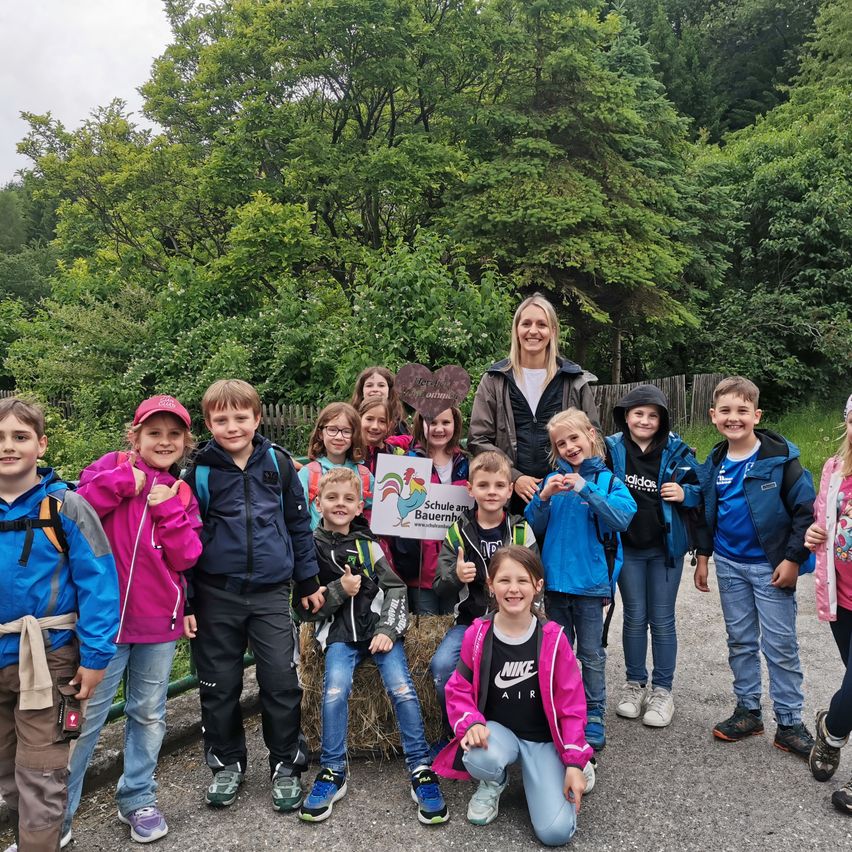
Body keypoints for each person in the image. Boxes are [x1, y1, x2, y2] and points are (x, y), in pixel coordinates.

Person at [63, 395, 202, 845]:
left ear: (185, 441)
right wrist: (126, 481)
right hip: (101, 627)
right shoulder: (106, 468)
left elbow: (188, 556)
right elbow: (75, 517)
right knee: (83, 720)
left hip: (157, 625)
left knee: (148, 714)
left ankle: (138, 797)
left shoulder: (181, 492)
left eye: (174, 434)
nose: (164, 442)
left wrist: (166, 509)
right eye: (154, 433)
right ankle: (54, 815)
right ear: (135, 435)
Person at [183, 379, 324, 813]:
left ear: (257, 419)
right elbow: (185, 540)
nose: (232, 426)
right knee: (219, 686)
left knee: (280, 683)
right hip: (215, 594)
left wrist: (308, 580)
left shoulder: (278, 464)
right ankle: (227, 763)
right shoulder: (200, 471)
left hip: (269, 595)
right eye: (221, 419)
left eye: (240, 417)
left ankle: (285, 764)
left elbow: (299, 527)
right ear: (208, 422)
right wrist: (187, 601)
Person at [296, 468, 448, 825]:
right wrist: (338, 592)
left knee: (403, 690)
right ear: (318, 503)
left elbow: (396, 589)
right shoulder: (310, 550)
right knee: (334, 691)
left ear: (359, 505)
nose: (340, 505)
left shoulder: (370, 546)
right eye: (332, 498)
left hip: (378, 636)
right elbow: (301, 606)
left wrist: (389, 630)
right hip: (339, 637)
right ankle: (333, 770)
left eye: (348, 499)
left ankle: (421, 767)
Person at [0, 398, 119, 852]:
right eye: (0, 437)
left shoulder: (65, 506)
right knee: (8, 772)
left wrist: (95, 656)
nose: (8, 447)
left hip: (48, 657)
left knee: (41, 771)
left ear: (41, 444)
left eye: (20, 436)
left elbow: (99, 584)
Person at [434, 546, 594, 846]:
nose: (513, 589)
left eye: (523, 580)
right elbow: (458, 688)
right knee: (477, 755)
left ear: (538, 586)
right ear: (491, 586)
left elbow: (572, 706)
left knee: (555, 833)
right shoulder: (477, 634)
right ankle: (495, 780)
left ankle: (576, 762)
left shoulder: (554, 639)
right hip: (500, 734)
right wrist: (470, 723)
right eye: (504, 580)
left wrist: (572, 762)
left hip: (543, 740)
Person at [694, 376, 816, 757]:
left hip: (772, 567)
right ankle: (748, 710)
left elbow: (804, 512)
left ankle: (790, 721)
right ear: (714, 416)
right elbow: (704, 512)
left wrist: (793, 559)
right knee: (741, 641)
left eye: (742, 411)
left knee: (780, 645)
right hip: (730, 566)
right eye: (726, 411)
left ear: (756, 415)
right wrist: (703, 557)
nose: (734, 418)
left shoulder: (781, 461)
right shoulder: (714, 462)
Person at [525, 408, 636, 750]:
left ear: (590, 435)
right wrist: (543, 498)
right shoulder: (551, 482)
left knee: (591, 654)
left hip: (590, 587)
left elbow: (622, 519)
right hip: (555, 585)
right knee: (557, 653)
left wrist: (587, 489)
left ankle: (594, 713)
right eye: (561, 443)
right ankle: (558, 707)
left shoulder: (610, 483)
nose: (569, 447)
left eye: (574, 438)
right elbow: (533, 526)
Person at [604, 385, 708, 728]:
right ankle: (635, 684)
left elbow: (703, 489)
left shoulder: (676, 449)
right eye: (638, 414)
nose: (645, 420)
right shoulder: (611, 448)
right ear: (625, 416)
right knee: (634, 616)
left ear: (662, 419)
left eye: (652, 415)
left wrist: (685, 493)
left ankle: (663, 690)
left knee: (662, 619)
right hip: (628, 547)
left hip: (665, 550)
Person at [468, 293, 599, 513]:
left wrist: (566, 479)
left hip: (564, 496)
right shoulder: (494, 380)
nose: (533, 331)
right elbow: (478, 439)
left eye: (542, 324)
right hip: (507, 499)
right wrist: (514, 476)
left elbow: (594, 437)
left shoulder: (574, 380)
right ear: (516, 330)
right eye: (526, 323)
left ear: (553, 332)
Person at [431, 451, 538, 717]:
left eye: (499, 485)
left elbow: (537, 584)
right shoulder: (458, 530)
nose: (491, 492)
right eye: (483, 485)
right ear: (470, 489)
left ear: (510, 490)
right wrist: (457, 576)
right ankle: (456, 732)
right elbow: (439, 586)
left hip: (514, 624)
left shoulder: (521, 530)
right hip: (469, 623)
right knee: (441, 666)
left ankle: (516, 730)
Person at [806, 393, 852, 812]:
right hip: (844, 597)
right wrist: (813, 535)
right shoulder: (835, 470)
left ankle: (833, 732)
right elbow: (822, 522)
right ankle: (833, 727)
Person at [390, 407, 469, 615]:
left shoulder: (466, 462)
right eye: (432, 422)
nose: (439, 428)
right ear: (421, 424)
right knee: (426, 626)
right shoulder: (409, 461)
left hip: (452, 562)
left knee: (453, 619)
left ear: (456, 425)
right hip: (419, 565)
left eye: (446, 423)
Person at [298, 402, 374, 530]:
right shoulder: (308, 474)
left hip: (354, 547)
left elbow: (376, 514)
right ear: (321, 433)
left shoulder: (365, 475)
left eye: (346, 431)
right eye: (332, 430)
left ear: (354, 435)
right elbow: (297, 519)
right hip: (317, 547)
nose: (339, 437)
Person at [350, 366, 409, 436]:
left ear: (389, 390)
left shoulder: (398, 425)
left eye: (381, 385)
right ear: (361, 390)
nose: (375, 389)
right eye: (369, 385)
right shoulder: (350, 418)